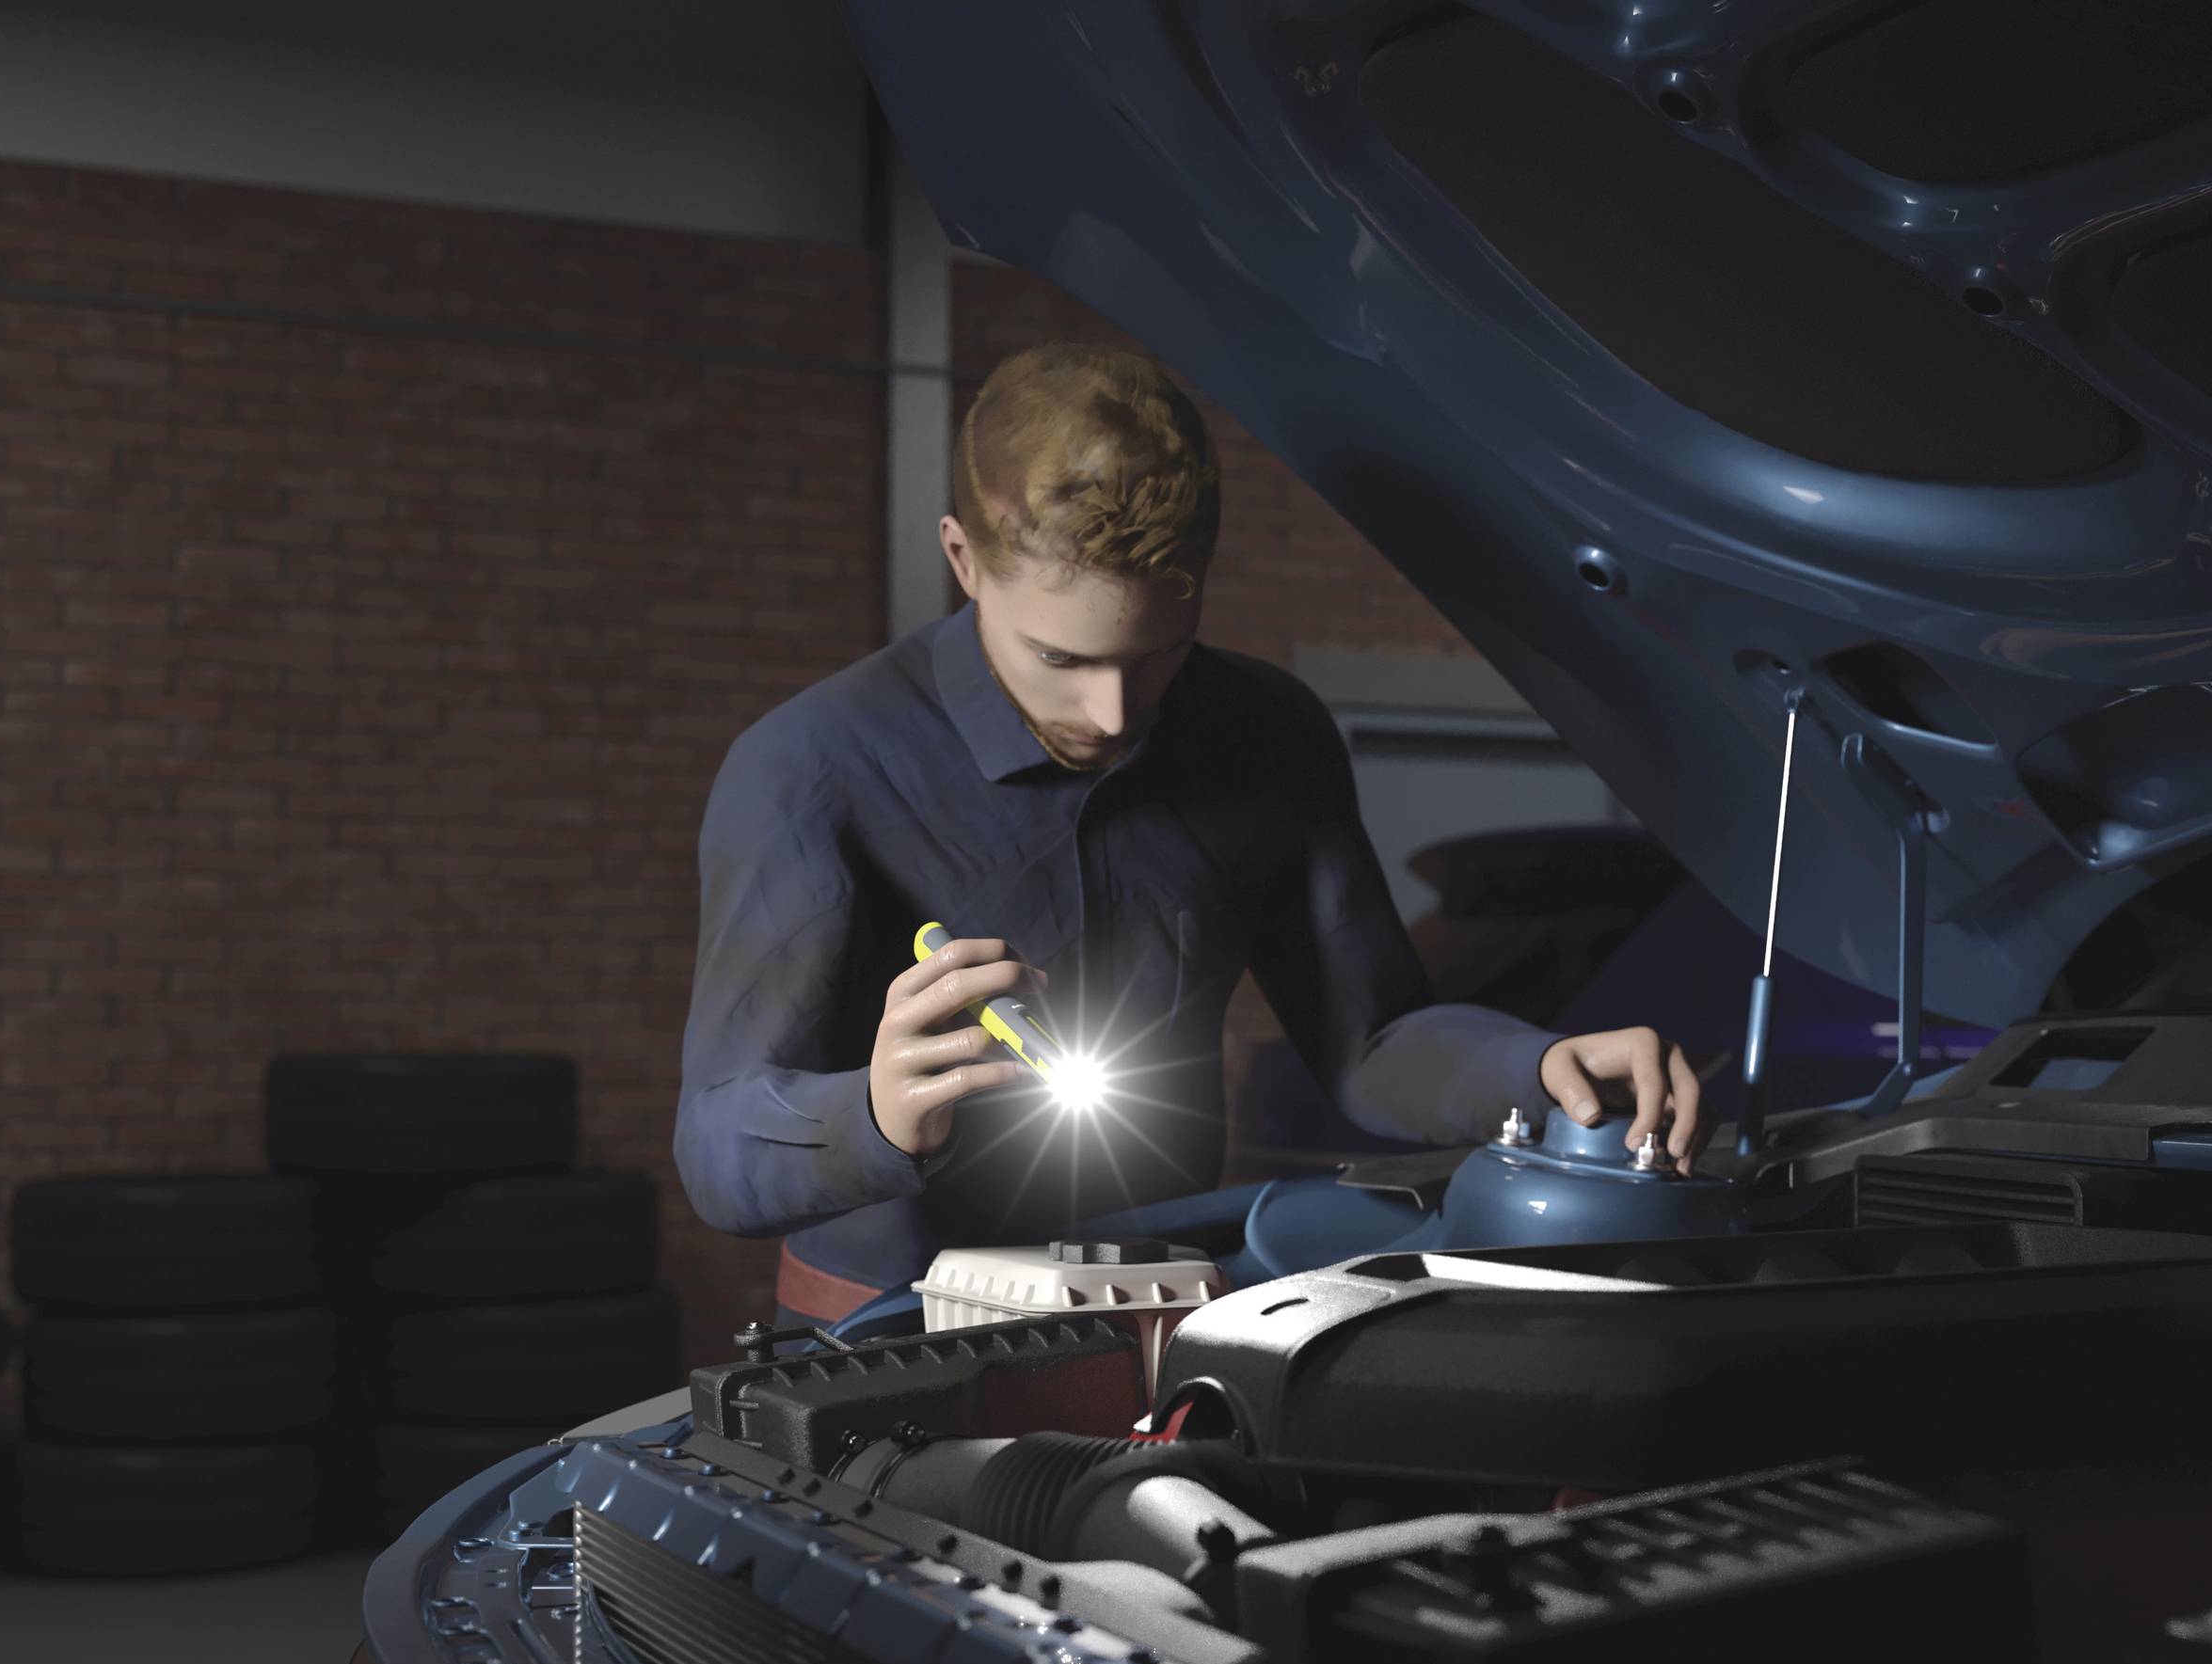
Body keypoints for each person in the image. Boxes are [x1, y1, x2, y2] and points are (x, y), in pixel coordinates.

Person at [676, 342, 1706, 1323]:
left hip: (1168, 1293)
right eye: (1061, 659)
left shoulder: (1269, 733)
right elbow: (716, 1143)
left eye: (1158, 652)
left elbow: (1372, 1042)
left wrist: (1539, 1068)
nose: (1117, 715)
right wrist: (877, 1112)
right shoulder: (811, 765)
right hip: (893, 1324)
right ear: (963, 558)